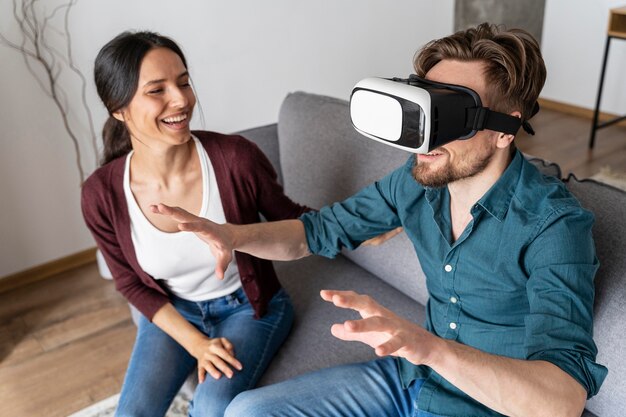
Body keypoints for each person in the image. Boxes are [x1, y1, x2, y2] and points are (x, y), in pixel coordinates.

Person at [153, 23, 607, 417]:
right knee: (247, 410)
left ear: (505, 129)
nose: (426, 136)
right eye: (425, 108)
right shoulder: (416, 181)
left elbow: (561, 402)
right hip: (413, 377)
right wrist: (233, 235)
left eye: (451, 115)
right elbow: (314, 232)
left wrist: (428, 347)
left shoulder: (555, 226)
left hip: (488, 402)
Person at [80, 31, 311, 416]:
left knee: (211, 408)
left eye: (184, 82)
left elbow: (292, 216)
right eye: (158, 90)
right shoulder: (101, 194)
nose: (181, 99)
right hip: (176, 308)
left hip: (248, 308)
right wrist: (195, 344)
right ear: (118, 108)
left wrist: (365, 224)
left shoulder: (235, 158)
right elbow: (130, 283)